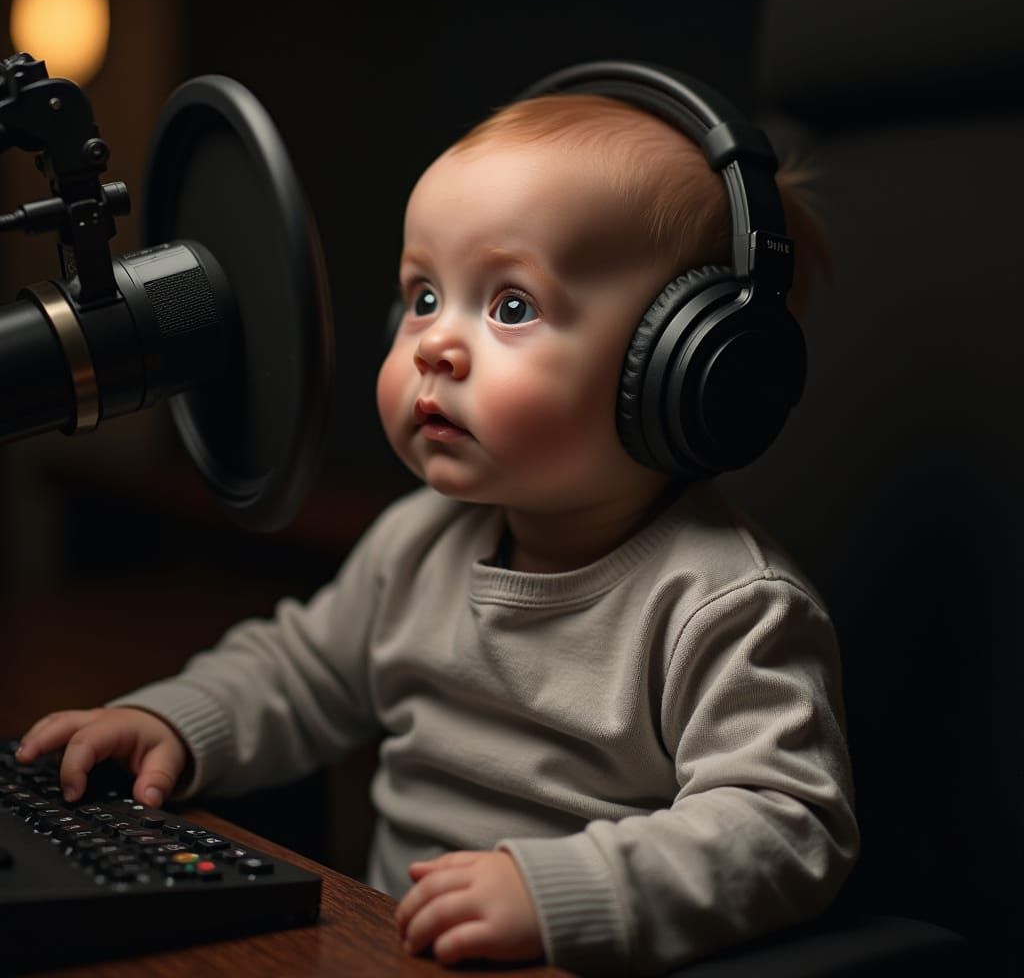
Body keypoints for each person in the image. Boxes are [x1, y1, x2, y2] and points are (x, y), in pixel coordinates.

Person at [16, 71, 858, 975]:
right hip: (388, 945)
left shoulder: (727, 605)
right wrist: (176, 722)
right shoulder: (418, 542)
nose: (436, 346)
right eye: (422, 297)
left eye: (511, 306)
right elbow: (299, 671)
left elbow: (786, 824)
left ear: (685, 371)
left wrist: (564, 891)